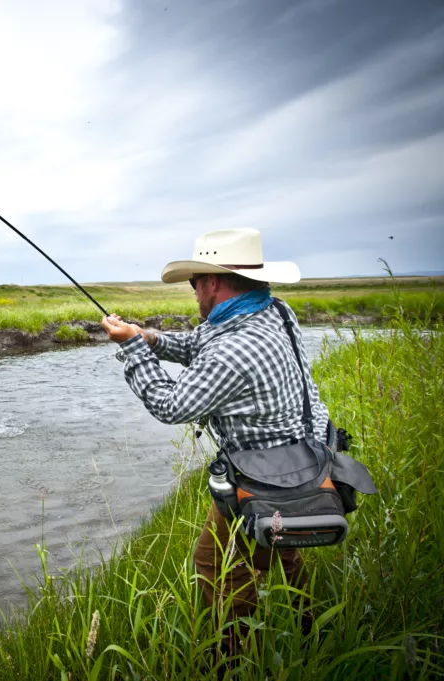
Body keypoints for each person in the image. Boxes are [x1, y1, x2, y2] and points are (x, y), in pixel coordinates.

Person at [101, 227, 328, 622]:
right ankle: (310, 632)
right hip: (307, 459)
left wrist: (131, 348)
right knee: (281, 548)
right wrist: (147, 338)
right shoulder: (270, 310)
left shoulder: (234, 348)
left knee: (214, 566)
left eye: (193, 281)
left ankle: (235, 658)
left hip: (265, 476)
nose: (192, 290)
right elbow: (198, 346)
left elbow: (171, 406)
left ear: (212, 281)